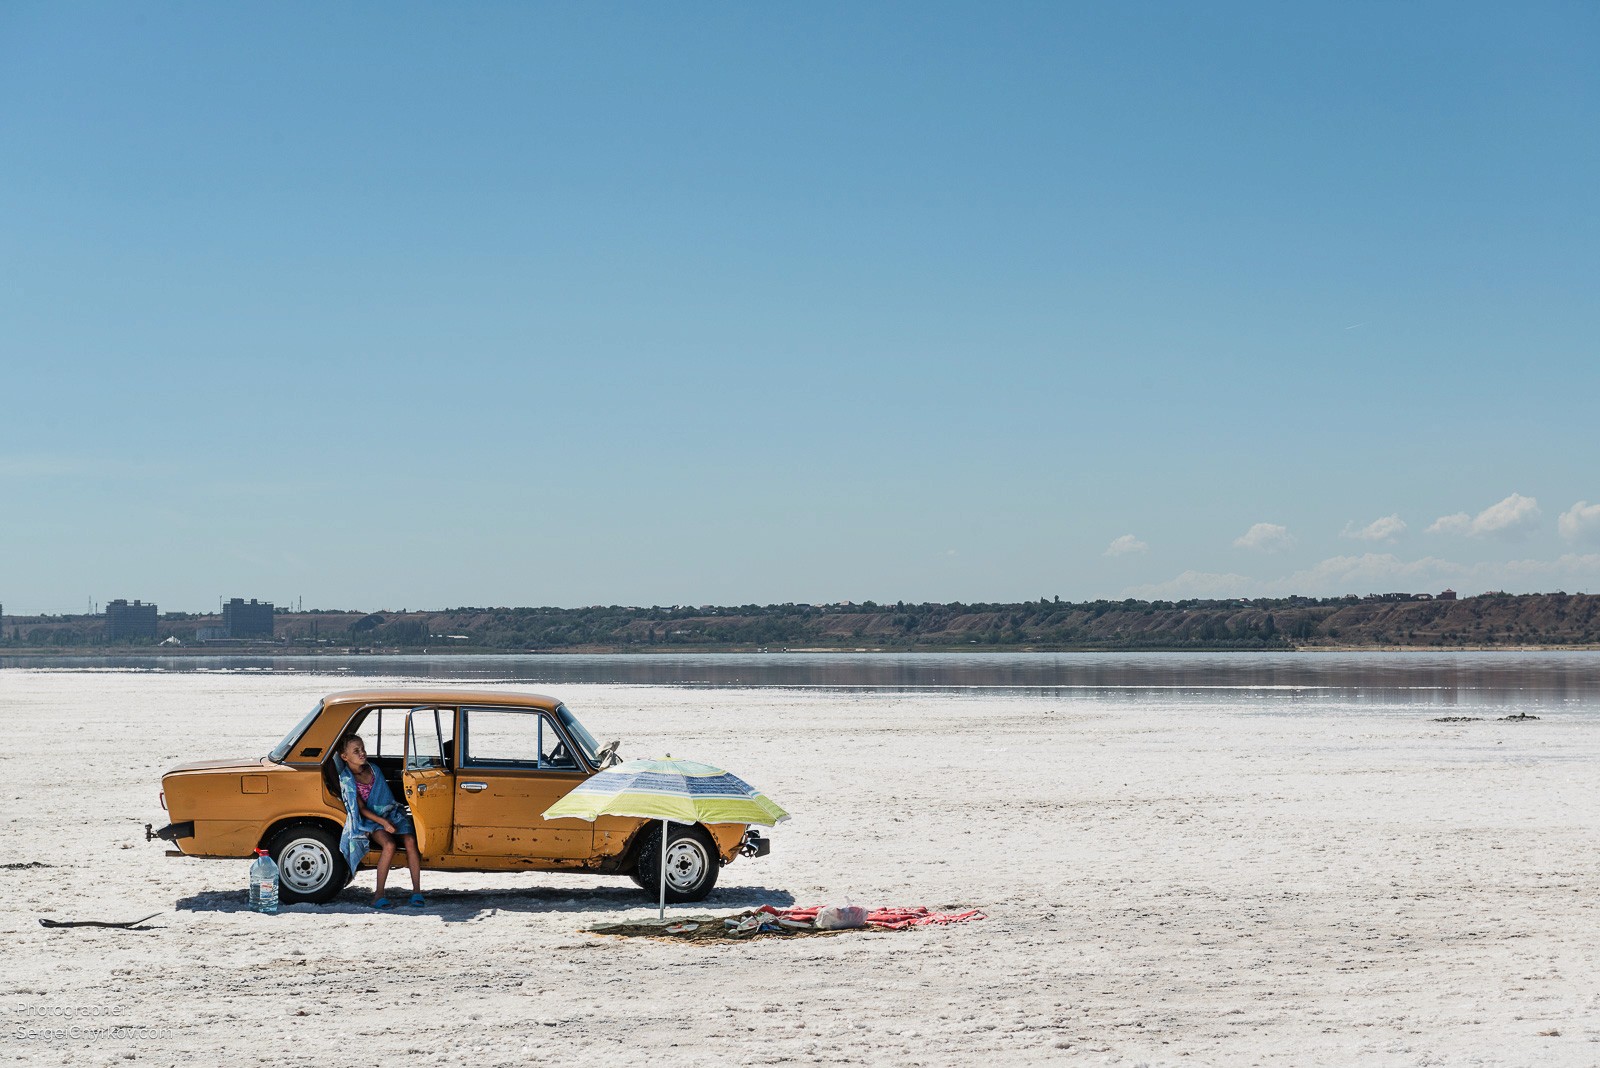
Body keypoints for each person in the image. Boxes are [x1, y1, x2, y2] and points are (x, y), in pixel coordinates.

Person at [334, 735, 423, 909]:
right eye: (356, 751)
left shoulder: (374, 769)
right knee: (389, 845)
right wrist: (383, 822)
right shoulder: (347, 780)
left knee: (410, 840)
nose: (362, 753)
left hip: (392, 813)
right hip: (372, 820)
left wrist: (389, 819)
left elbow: (385, 797)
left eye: (362, 749)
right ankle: (379, 895)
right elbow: (361, 809)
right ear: (344, 757)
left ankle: (417, 891)